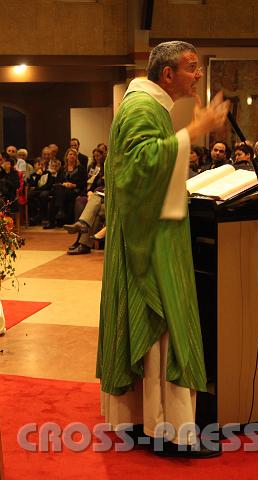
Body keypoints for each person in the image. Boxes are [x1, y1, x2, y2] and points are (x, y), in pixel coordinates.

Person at [97, 40, 229, 458]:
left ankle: (145, 419)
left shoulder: (147, 106)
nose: (199, 74)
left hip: (149, 233)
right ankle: (169, 429)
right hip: (148, 245)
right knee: (164, 322)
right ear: (167, 74)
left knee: (159, 330)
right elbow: (136, 168)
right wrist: (194, 131)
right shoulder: (141, 108)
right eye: (192, 67)